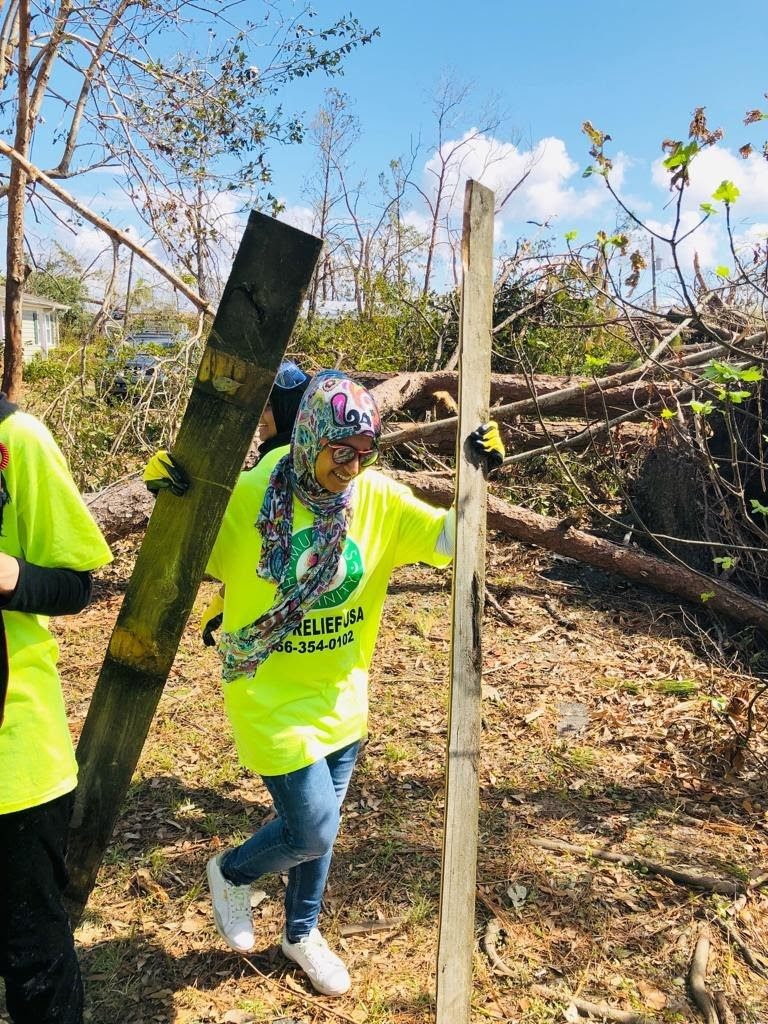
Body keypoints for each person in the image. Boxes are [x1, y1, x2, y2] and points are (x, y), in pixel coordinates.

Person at [146, 370, 504, 997]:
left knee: (323, 830)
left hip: (343, 694)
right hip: (270, 696)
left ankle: (301, 932)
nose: (353, 466)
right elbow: (182, 555)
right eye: (341, 450)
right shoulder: (250, 497)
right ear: (308, 434)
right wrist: (175, 502)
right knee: (311, 828)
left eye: (365, 453)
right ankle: (232, 874)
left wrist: (478, 479)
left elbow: (450, 539)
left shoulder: (377, 500)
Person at [0, 395, 113, 1024]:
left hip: (14, 756)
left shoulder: (17, 440)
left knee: (33, 952)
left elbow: (77, 583)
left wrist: (13, 576)